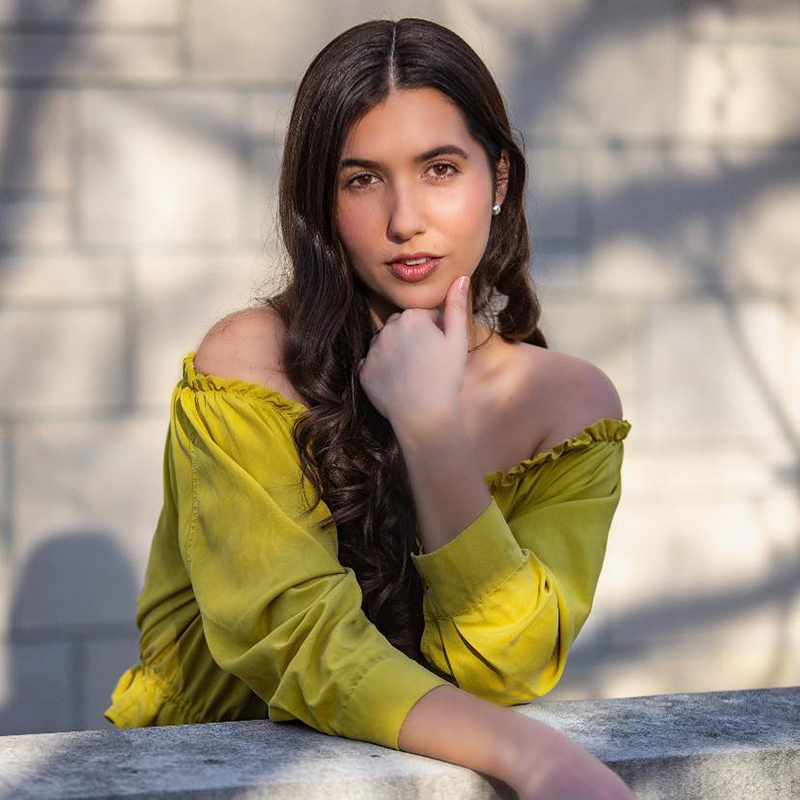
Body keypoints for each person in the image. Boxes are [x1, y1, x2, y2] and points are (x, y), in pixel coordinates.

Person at [106, 17, 636, 799]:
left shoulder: (565, 405)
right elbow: (298, 644)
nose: (404, 219)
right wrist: (533, 755)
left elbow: (506, 661)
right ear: (322, 204)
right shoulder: (248, 365)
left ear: (500, 179)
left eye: (440, 169)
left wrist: (433, 432)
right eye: (362, 180)